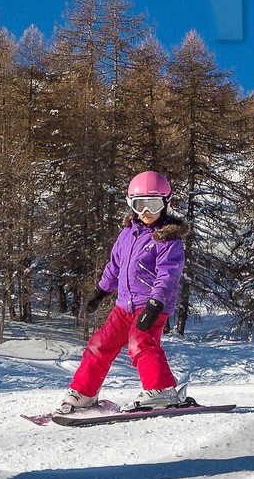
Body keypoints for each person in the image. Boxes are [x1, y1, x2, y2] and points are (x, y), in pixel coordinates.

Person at [56, 171, 190, 413]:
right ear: (131, 205)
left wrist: (155, 305)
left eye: (153, 204)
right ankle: (85, 392)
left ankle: (162, 390)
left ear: (166, 204)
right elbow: (115, 266)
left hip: (149, 305)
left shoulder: (168, 240)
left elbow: (168, 276)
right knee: (99, 344)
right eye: (140, 205)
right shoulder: (127, 234)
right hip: (123, 305)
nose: (146, 212)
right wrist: (100, 291)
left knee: (141, 343)